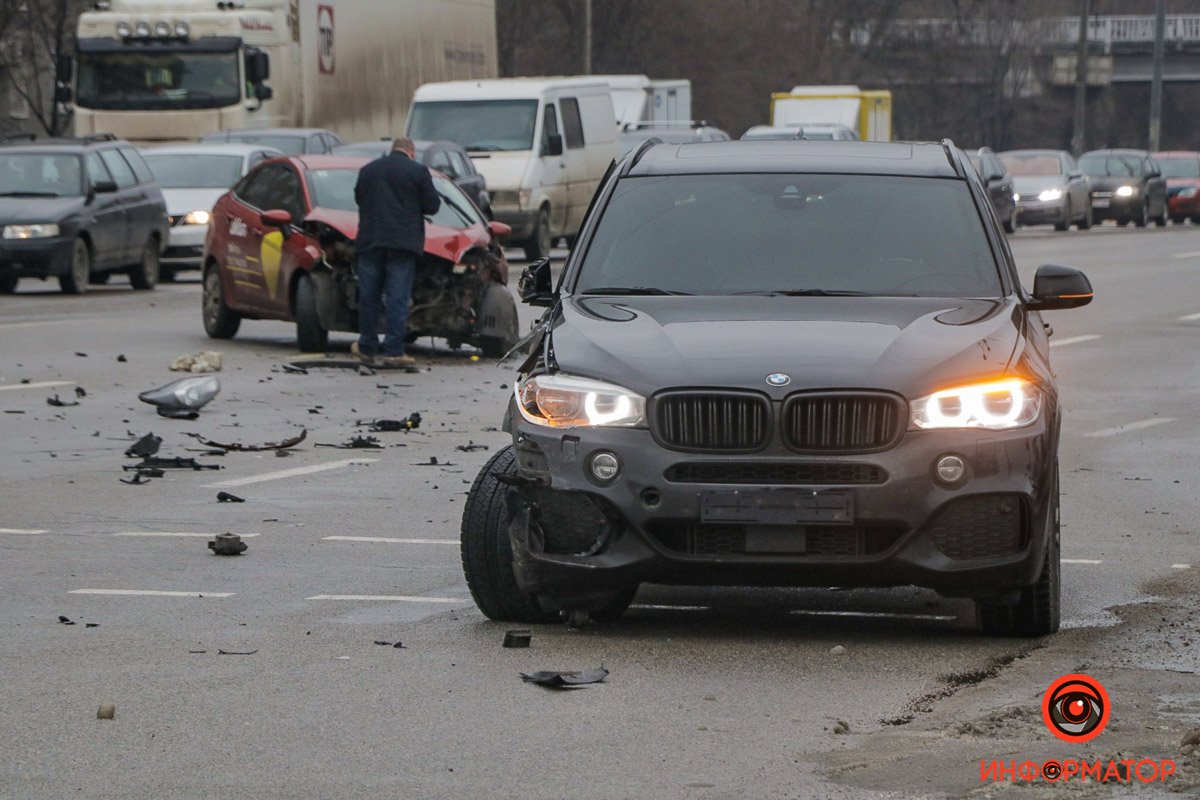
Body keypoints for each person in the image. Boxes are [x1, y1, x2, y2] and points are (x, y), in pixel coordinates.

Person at [352, 136, 440, 366]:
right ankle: (393, 351)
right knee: (397, 298)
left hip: (370, 242)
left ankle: (367, 347)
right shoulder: (418, 171)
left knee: (369, 297)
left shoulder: (369, 170)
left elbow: (359, 199)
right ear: (411, 152)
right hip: (402, 245)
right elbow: (432, 206)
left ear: (393, 150)